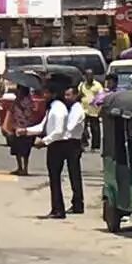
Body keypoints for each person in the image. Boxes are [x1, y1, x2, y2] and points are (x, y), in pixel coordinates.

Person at [20, 85, 70, 219]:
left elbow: (59, 131)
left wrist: (44, 141)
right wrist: (26, 131)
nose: (43, 96)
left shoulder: (58, 109)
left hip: (58, 145)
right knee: (53, 178)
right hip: (53, 145)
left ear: (53, 94)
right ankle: (56, 208)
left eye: (46, 93)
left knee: (55, 178)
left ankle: (59, 210)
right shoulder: (52, 108)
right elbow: (43, 126)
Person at [61, 84, 86, 215]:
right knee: (72, 174)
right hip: (69, 142)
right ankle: (76, 202)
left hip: (73, 143)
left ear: (75, 95)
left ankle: (78, 203)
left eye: (68, 95)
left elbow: (70, 127)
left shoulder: (77, 109)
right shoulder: (71, 108)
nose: (66, 97)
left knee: (75, 174)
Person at [7, 82, 37, 177]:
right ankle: (20, 167)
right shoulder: (17, 100)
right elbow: (12, 111)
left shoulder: (28, 101)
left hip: (25, 128)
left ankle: (25, 168)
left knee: (25, 150)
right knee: (17, 149)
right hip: (16, 127)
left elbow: (29, 114)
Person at [78, 68, 104, 151]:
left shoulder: (97, 85)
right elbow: (78, 95)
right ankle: (83, 144)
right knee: (82, 128)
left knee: (95, 128)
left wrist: (99, 107)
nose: (89, 77)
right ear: (85, 76)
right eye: (87, 75)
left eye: (91, 75)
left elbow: (101, 96)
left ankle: (95, 146)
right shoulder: (82, 85)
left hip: (94, 110)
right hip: (84, 109)